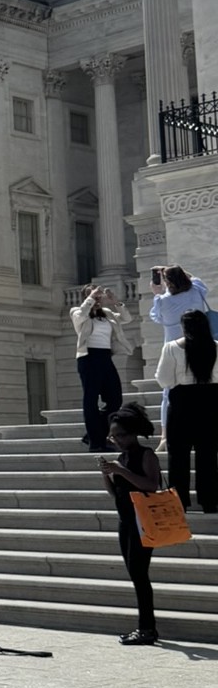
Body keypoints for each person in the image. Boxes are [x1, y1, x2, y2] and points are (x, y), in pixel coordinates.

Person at [99, 402, 162, 645]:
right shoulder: (121, 458)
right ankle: (145, 627)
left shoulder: (146, 454)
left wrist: (122, 471)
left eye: (120, 435)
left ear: (133, 432)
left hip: (142, 521)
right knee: (135, 574)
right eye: (113, 436)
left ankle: (147, 628)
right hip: (125, 521)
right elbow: (116, 495)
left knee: (139, 575)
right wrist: (107, 474)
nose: (117, 440)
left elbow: (151, 485)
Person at [155, 309, 218, 513]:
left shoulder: (172, 347)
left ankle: (179, 501)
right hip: (209, 401)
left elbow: (164, 380)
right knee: (208, 455)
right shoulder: (216, 348)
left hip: (182, 401)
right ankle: (209, 500)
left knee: (178, 456)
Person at [149, 265, 209, 451]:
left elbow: (156, 318)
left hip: (175, 350)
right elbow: (195, 279)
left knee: (168, 394)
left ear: (167, 283)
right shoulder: (196, 291)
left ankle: (165, 436)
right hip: (202, 347)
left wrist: (156, 291)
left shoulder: (162, 301)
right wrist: (175, 270)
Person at [70, 285, 132, 452]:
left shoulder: (107, 313)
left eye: (99, 297)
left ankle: (93, 435)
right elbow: (81, 315)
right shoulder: (77, 311)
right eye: (94, 296)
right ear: (87, 297)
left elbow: (127, 318)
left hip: (105, 357)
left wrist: (115, 302)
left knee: (115, 399)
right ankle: (96, 443)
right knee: (90, 400)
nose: (97, 299)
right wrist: (91, 298)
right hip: (88, 358)